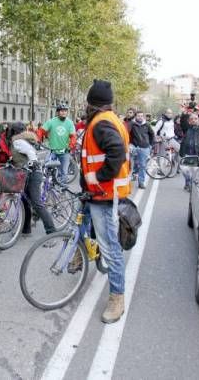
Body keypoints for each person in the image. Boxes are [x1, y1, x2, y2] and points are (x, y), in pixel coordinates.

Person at [80, 79, 131, 324]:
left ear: (92, 104)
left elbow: (116, 154)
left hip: (105, 194)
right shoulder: (108, 119)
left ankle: (117, 298)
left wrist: (96, 176)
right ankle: (83, 254)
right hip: (99, 194)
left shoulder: (101, 124)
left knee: (111, 249)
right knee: (97, 235)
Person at [9, 122, 56, 236]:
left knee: (36, 203)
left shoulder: (18, 141)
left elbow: (30, 153)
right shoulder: (26, 139)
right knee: (25, 200)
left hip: (33, 173)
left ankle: (52, 232)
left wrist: (32, 162)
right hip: (27, 172)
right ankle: (26, 229)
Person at [42, 103, 76, 185]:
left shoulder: (70, 123)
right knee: (46, 168)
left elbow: (73, 136)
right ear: (58, 112)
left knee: (64, 172)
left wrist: (70, 146)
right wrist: (40, 138)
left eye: (65, 111)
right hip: (52, 151)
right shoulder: (51, 121)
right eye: (61, 111)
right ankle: (48, 187)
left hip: (64, 152)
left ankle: (62, 191)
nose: (64, 113)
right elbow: (42, 130)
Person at [179, 113, 199, 190]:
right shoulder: (186, 129)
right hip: (187, 154)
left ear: (198, 120)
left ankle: (192, 185)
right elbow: (182, 122)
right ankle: (188, 181)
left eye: (195, 119)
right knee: (185, 170)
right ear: (189, 121)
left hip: (198, 155)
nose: (193, 120)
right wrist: (185, 113)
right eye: (191, 119)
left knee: (195, 172)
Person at [129, 111, 155, 189]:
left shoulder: (147, 125)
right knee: (136, 162)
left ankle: (141, 182)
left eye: (141, 116)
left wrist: (150, 145)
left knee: (143, 165)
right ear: (135, 117)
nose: (140, 117)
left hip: (145, 147)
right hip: (135, 147)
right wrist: (130, 144)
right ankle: (134, 173)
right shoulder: (132, 125)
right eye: (138, 116)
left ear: (143, 117)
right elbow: (127, 134)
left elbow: (152, 134)